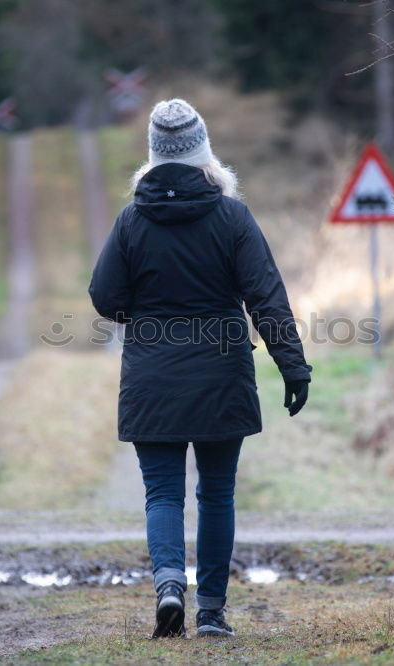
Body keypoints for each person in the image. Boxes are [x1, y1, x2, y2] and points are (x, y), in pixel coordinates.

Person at [88, 99, 311, 639]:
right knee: (217, 491)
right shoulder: (232, 217)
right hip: (221, 374)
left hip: (152, 377)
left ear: (154, 157)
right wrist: (293, 366)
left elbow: (104, 296)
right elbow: (266, 297)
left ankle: (169, 587)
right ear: (204, 154)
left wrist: (141, 317)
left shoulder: (132, 221)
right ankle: (211, 612)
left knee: (162, 492)